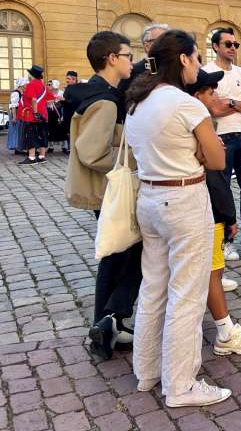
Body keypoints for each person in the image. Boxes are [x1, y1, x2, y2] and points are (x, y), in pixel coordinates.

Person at [126, 30, 231, 407]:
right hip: (184, 198)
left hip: (150, 196)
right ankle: (181, 384)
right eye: (197, 57)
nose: (200, 64)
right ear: (183, 59)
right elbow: (217, 159)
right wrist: (200, 153)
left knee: (153, 287)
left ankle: (147, 371)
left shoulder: (138, 100)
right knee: (186, 294)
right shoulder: (186, 104)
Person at [64, 31, 136, 360]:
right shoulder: (105, 101)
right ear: (112, 58)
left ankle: (109, 323)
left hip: (108, 191)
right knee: (123, 255)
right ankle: (107, 320)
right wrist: (128, 164)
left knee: (117, 256)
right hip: (110, 191)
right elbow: (92, 152)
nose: (132, 61)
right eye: (128, 55)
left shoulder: (102, 93)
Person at [186, 69, 241, 357]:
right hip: (203, 206)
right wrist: (229, 216)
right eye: (211, 92)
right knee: (212, 267)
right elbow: (217, 170)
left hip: (184, 204)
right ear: (198, 96)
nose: (216, 97)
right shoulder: (201, 121)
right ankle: (224, 332)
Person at [202, 28, 241, 259]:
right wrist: (240, 103)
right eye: (228, 44)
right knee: (221, 190)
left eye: (235, 45)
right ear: (216, 46)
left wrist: (231, 102)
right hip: (220, 137)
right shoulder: (207, 72)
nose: (233, 48)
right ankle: (226, 240)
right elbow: (214, 108)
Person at [118, 23, 170, 94]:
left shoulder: (174, 70)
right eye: (161, 41)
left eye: (168, 41)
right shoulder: (132, 71)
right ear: (147, 46)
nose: (166, 46)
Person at [18, 65, 55, 165]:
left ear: (31, 75)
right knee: (42, 135)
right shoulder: (43, 86)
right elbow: (51, 99)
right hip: (43, 115)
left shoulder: (31, 85)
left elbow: (34, 99)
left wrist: (35, 112)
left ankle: (31, 157)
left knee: (31, 135)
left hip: (32, 115)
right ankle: (42, 156)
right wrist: (43, 105)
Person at [46, 79, 67, 153]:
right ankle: (51, 146)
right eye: (49, 84)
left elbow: (64, 102)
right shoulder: (48, 93)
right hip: (51, 113)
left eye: (50, 84)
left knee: (61, 130)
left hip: (59, 113)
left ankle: (63, 146)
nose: (49, 86)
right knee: (50, 129)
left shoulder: (61, 93)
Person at [61, 71, 79, 153]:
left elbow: (75, 101)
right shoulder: (68, 88)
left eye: (69, 78)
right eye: (67, 78)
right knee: (68, 131)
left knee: (74, 131)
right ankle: (71, 147)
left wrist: (64, 100)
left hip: (73, 113)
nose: (67, 80)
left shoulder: (77, 89)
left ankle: (74, 148)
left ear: (74, 79)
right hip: (67, 113)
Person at [7, 77, 26, 153]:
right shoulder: (16, 93)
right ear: (21, 84)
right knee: (16, 131)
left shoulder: (22, 92)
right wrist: (14, 117)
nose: (26, 84)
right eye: (25, 83)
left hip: (21, 114)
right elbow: (13, 106)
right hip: (16, 114)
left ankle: (19, 147)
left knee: (20, 131)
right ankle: (17, 148)